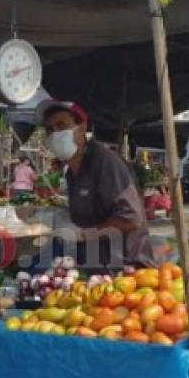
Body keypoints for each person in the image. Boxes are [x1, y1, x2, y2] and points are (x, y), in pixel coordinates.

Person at [36, 100, 156, 268]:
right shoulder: (71, 172)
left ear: (82, 128)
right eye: (50, 130)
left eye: (61, 125)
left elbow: (131, 218)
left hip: (127, 270)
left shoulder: (105, 162)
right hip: (95, 265)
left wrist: (85, 235)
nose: (55, 134)